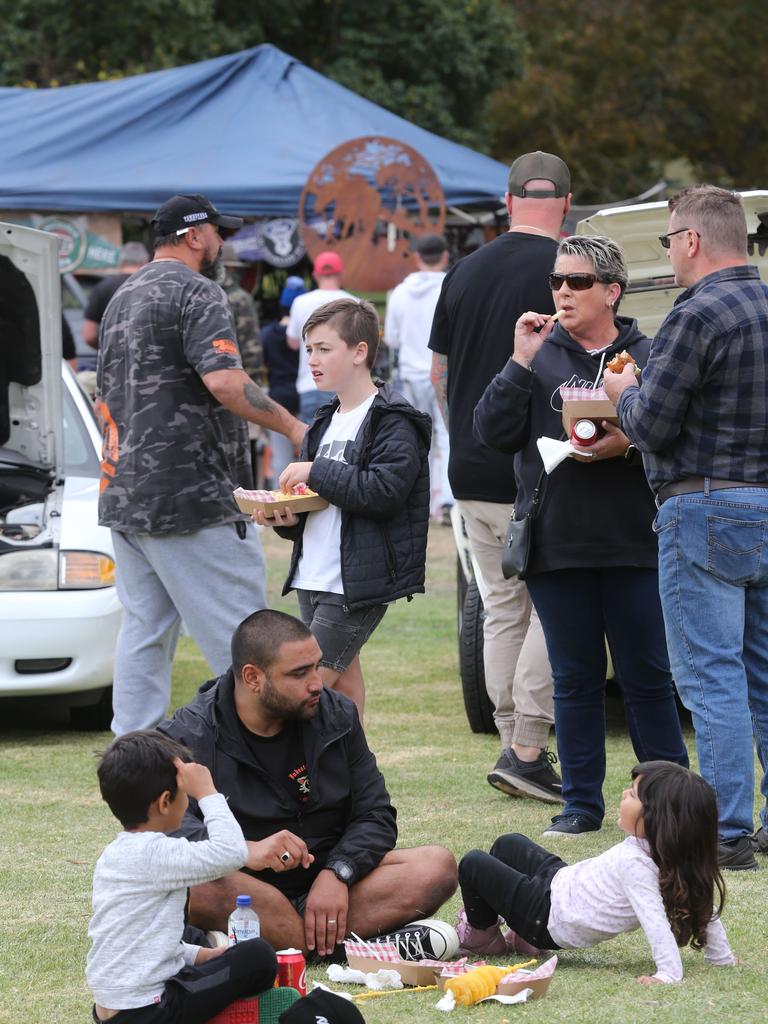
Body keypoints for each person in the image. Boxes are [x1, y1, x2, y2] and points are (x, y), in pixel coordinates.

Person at [475, 235, 688, 835]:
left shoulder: (648, 352)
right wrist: (519, 359)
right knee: (573, 679)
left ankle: (666, 804)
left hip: (635, 541)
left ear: (612, 292)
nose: (563, 293)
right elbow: (490, 430)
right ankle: (581, 806)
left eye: (578, 283)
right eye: (556, 282)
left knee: (648, 677)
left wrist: (630, 437)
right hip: (558, 541)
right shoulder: (539, 353)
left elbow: (674, 430)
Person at [97, 193, 306, 736]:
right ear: (195, 235)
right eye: (219, 233)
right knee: (240, 636)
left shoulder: (124, 294)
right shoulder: (199, 289)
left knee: (144, 632)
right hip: (191, 494)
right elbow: (224, 381)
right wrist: (294, 428)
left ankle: (133, 760)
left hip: (124, 491)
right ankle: (261, 757)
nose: (223, 243)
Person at [603, 185, 768, 871]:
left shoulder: (695, 313)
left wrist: (622, 392)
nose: (669, 251)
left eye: (670, 239)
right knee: (762, 673)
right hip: (763, 503)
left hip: (702, 505)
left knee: (712, 677)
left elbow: (652, 423)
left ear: (693, 240)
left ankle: (728, 830)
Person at [160, 609, 459, 961]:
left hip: (332, 889)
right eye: (300, 673)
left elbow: (376, 814)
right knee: (194, 887)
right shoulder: (188, 734)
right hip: (243, 890)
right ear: (253, 677)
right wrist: (246, 850)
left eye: (317, 666)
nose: (317, 682)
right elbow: (164, 835)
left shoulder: (336, 714)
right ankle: (350, 948)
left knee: (436, 866)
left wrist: (338, 873)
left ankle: (259, 945)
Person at [428, 151, 562, 802]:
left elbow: (437, 376)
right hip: (540, 466)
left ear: (508, 202)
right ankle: (528, 743)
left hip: (470, 466)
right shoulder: (571, 269)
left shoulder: (462, 272)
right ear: (566, 203)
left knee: (501, 608)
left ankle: (512, 738)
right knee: (552, 608)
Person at [255, 298, 431, 719]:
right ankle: (357, 784)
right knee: (343, 696)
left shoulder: (395, 419)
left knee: (295, 697)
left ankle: (302, 782)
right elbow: (322, 510)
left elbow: (382, 492)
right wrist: (284, 517)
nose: (311, 360)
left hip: (353, 586)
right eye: (309, 349)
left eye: (323, 349)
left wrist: (315, 470)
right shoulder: (323, 419)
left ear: (359, 352)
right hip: (312, 576)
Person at [456, 762, 737, 984]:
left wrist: (668, 973)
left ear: (659, 819)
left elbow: (656, 921)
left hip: (549, 917)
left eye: (633, 795)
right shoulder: (661, 853)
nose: (624, 794)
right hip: (560, 884)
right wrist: (722, 958)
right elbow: (705, 905)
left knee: (473, 864)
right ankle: (522, 938)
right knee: (509, 843)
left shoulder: (636, 866)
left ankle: (484, 938)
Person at [86, 730, 277, 1023]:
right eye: (186, 796)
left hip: (110, 1010)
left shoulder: (113, 854)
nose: (191, 802)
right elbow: (232, 852)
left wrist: (201, 956)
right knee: (258, 957)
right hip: (151, 1012)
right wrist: (207, 792)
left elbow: (139, 938)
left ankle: (203, 955)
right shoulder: (157, 852)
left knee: (189, 935)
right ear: (165, 802)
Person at [385, 234, 453, 522]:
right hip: (444, 371)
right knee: (447, 436)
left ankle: (418, 502)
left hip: (411, 374)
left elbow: (391, 338)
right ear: (445, 256)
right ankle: (448, 501)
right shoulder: (451, 286)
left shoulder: (400, 292)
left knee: (415, 439)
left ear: (417, 257)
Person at [286, 252, 354, 423]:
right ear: (341, 274)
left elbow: (293, 343)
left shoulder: (300, 302)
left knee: (313, 446)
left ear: (315, 275)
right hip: (345, 385)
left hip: (310, 383)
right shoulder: (354, 304)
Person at [261, 275, 305, 483]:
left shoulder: (267, 335)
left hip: (278, 400)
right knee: (308, 458)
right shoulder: (307, 336)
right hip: (304, 396)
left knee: (280, 458)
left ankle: (278, 504)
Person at [83, 242, 150, 349]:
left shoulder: (102, 288)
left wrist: (106, 349)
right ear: (144, 263)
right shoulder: (152, 287)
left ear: (121, 262)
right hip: (145, 359)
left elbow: (89, 335)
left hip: (111, 361)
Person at [219, 243, 263, 383]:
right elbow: (251, 346)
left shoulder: (198, 293)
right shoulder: (240, 298)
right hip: (235, 380)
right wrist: (254, 384)